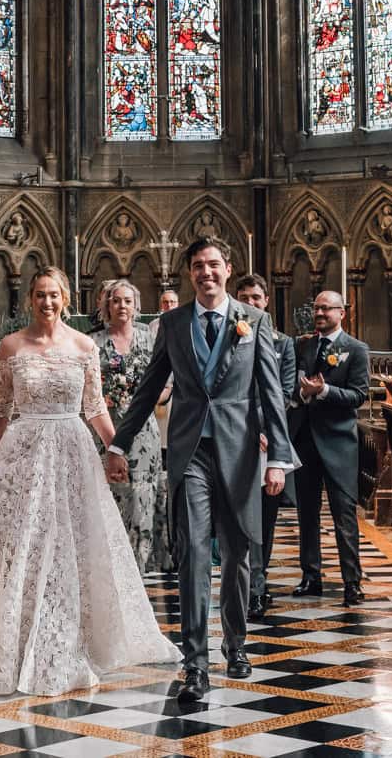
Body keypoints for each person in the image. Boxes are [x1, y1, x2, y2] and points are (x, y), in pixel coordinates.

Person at [0, 269, 177, 695]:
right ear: (30, 298)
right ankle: (17, 633)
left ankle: (74, 634)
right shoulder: (11, 347)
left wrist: (114, 448)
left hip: (71, 450)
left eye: (54, 295)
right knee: (25, 542)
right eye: (40, 295)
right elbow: (1, 409)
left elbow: (94, 408)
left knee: (74, 541)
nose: (47, 302)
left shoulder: (84, 346)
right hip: (24, 450)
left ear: (65, 298)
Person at [105, 238, 294, 702]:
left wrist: (279, 459)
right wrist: (118, 443)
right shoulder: (171, 323)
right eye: (197, 267)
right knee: (191, 552)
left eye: (213, 265)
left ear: (228, 269)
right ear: (190, 274)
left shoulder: (255, 322)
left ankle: (236, 642)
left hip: (242, 453)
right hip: (190, 454)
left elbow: (270, 393)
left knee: (236, 554)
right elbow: (148, 391)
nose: (205, 273)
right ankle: (195, 664)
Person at [289, 289, 370, 606]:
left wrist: (324, 391)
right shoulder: (303, 345)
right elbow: (291, 384)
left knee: (344, 516)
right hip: (306, 440)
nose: (319, 313)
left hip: (339, 443)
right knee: (306, 513)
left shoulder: (356, 349)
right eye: (316, 308)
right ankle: (311, 576)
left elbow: (358, 396)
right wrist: (303, 393)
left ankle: (352, 582)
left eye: (326, 309)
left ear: (342, 313)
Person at [91, 279, 169, 575]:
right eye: (115, 301)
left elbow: (168, 379)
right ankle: (111, 560)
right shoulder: (95, 342)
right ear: (106, 305)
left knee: (143, 491)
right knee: (111, 491)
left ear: (136, 306)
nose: (121, 306)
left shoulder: (150, 338)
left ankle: (141, 559)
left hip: (143, 426)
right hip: (107, 424)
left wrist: (152, 396)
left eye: (127, 301)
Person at [234, 272, 294, 619]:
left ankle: (259, 580)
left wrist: (264, 427)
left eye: (256, 297)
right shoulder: (229, 334)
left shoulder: (283, 343)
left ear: (266, 301)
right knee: (241, 514)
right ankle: (248, 585)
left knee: (266, 517)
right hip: (237, 434)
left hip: (268, 437)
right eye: (244, 297)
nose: (250, 303)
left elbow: (283, 394)